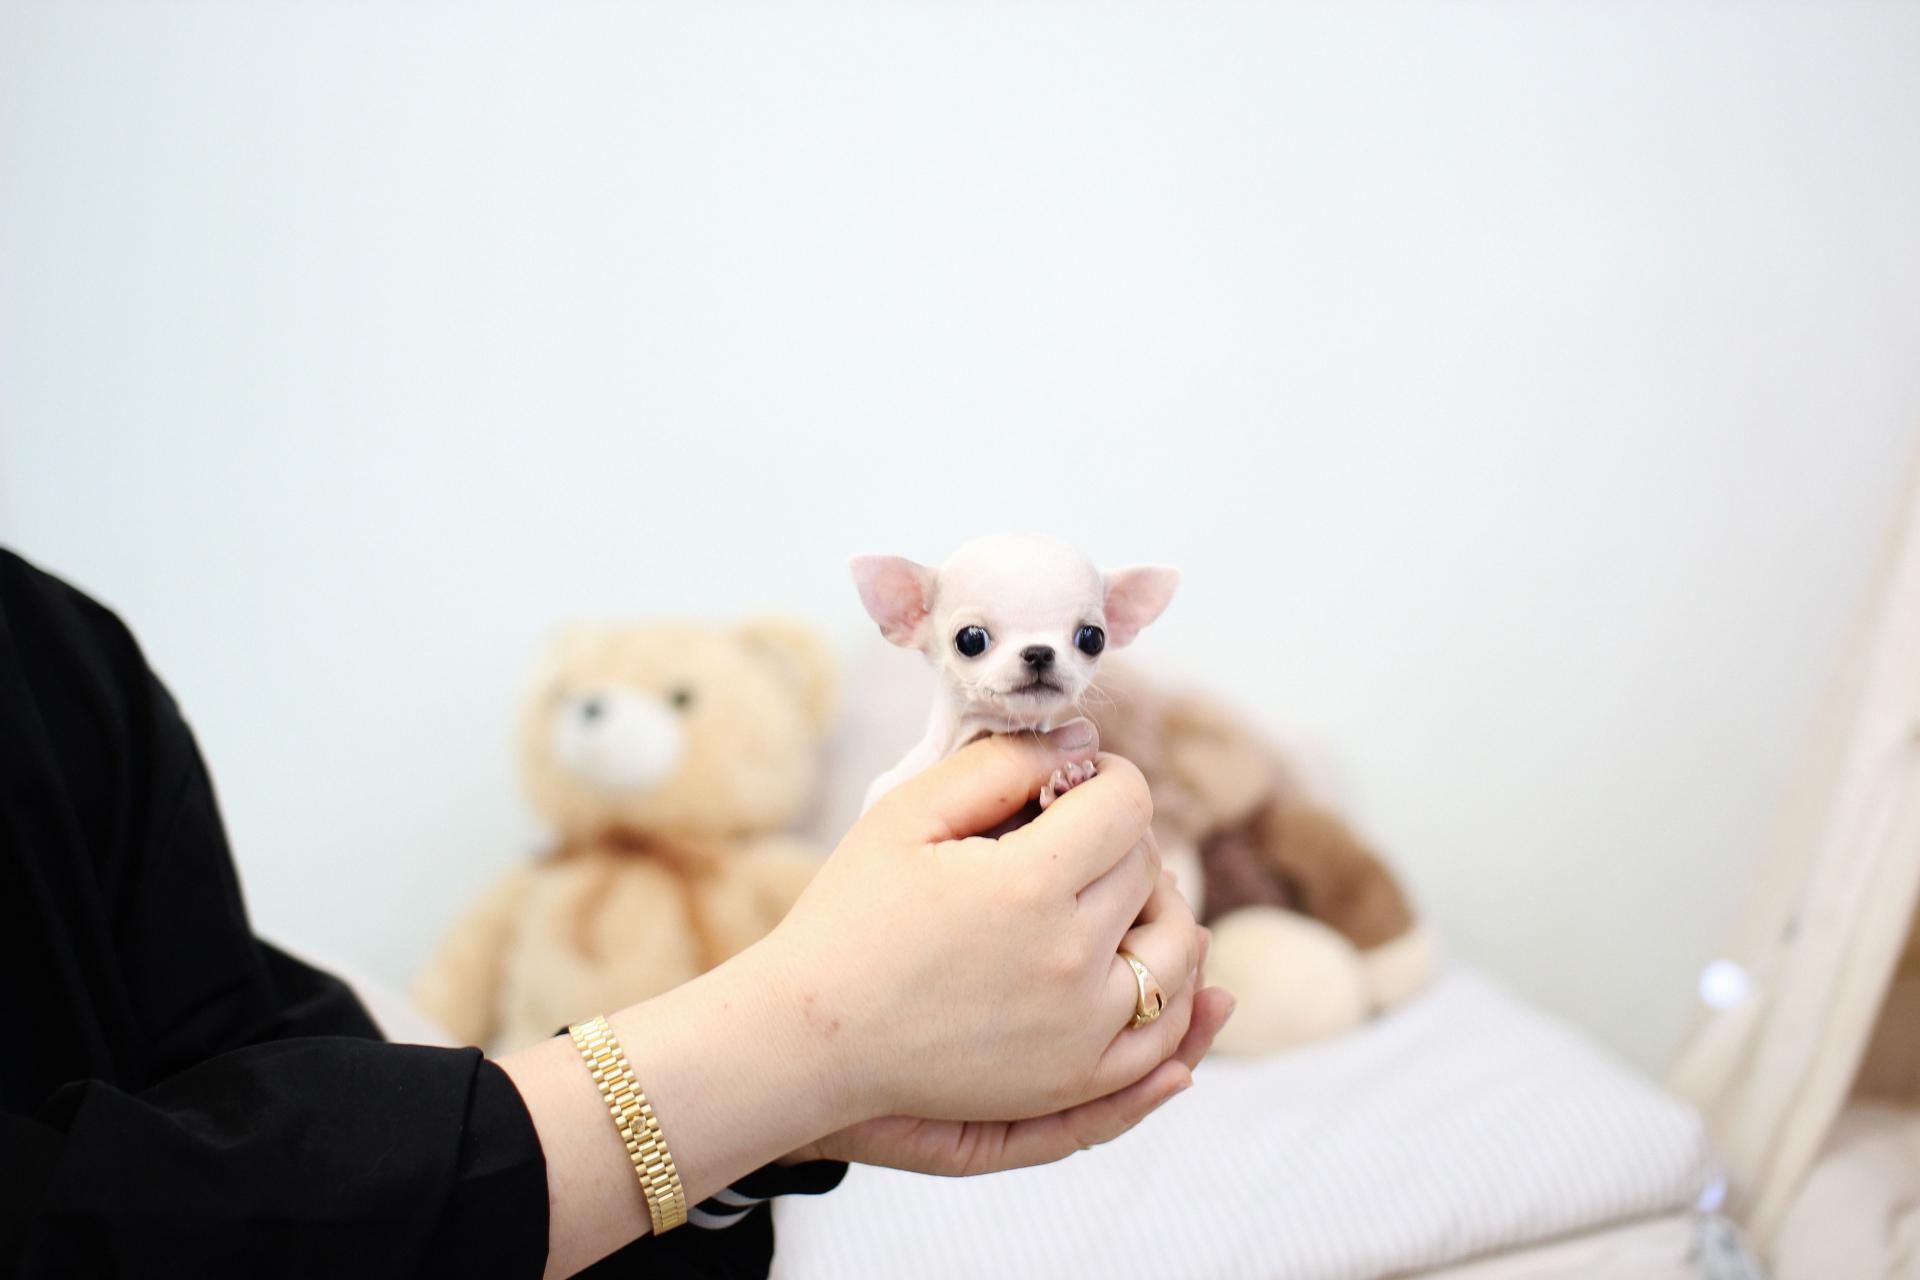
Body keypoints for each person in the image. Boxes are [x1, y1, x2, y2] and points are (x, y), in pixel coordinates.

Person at [0, 549, 1231, 1278]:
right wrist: (794, 1043)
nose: (1036, 659)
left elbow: (265, 1091)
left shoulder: (60, 661)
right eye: (981, 635)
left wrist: (774, 1111)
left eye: (1076, 636)